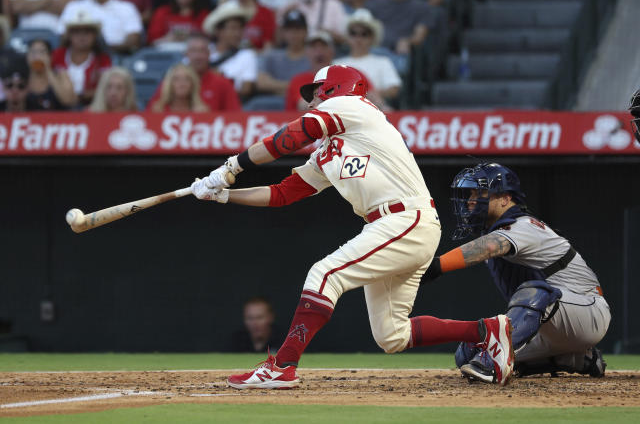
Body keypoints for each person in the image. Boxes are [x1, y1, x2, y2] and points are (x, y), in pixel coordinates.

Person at [190, 64, 515, 388]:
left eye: (317, 91)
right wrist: (223, 195)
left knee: (324, 273)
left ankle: (283, 365)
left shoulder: (353, 107)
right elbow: (282, 194)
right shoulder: (329, 150)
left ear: (334, 88)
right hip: (396, 225)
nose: (312, 100)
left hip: (404, 219)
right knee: (392, 335)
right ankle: (486, 331)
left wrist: (232, 166)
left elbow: (288, 139)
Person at [422, 163, 610, 381]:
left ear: (505, 199)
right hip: (552, 323)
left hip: (587, 310)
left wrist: (437, 266)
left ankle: (495, 363)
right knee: (468, 353)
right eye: (471, 193)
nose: (471, 199)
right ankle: (579, 359)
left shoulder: (523, 225)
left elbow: (491, 246)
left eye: (481, 192)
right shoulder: (498, 229)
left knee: (533, 293)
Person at [147, 33, 242, 112]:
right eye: (193, 51)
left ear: (209, 54)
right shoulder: (172, 79)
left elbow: (234, 117)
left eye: (202, 51)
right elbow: (150, 115)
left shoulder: (223, 83)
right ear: (185, 54)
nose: (198, 56)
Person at [334, 9, 401, 107]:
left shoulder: (383, 62)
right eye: (353, 33)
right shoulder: (336, 63)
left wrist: (374, 93)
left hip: (373, 109)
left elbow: (394, 89)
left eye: (364, 34)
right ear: (348, 36)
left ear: (372, 38)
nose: (358, 38)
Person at [247, 9, 310, 110]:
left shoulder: (313, 57)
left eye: (298, 29)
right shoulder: (271, 55)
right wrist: (295, 87)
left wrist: (275, 85)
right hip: (273, 102)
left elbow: (313, 89)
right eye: (289, 29)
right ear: (283, 32)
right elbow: (261, 83)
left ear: (306, 32)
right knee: (255, 104)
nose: (294, 33)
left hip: (302, 104)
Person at [51, 10, 112, 106]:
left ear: (94, 36)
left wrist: (82, 96)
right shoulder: (57, 55)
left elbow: (106, 87)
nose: (82, 36)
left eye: (87, 32)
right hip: (57, 105)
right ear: (69, 35)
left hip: (92, 106)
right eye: (77, 32)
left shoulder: (103, 59)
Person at [203, 0, 258, 100]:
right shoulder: (202, 50)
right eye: (233, 28)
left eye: (240, 29)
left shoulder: (247, 54)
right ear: (218, 31)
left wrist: (220, 82)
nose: (238, 34)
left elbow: (246, 89)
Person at [58, 0, 143, 53]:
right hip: (78, 55)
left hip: (117, 57)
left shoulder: (126, 7)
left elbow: (134, 41)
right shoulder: (73, 6)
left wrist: (104, 49)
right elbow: (62, 37)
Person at [284, 30, 333, 111]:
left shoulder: (343, 77)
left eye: (323, 46)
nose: (319, 51)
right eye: (314, 47)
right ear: (306, 52)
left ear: (332, 51)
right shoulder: (298, 80)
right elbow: (304, 105)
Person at [365, 0, 432, 55]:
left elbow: (419, 36)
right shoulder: (374, 4)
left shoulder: (421, 7)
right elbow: (363, 28)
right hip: (374, 49)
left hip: (399, 52)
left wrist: (408, 41)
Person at [26, 38, 77, 110]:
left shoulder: (61, 75)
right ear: (27, 56)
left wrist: (48, 69)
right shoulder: (23, 78)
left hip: (58, 120)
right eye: (33, 52)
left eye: (42, 52)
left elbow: (68, 101)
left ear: (50, 56)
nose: (37, 56)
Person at [279, 0, 347, 45]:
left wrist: (327, 33)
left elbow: (344, 39)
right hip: (299, 50)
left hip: (326, 48)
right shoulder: (291, 5)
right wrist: (284, 14)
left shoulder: (334, 4)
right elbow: (279, 39)